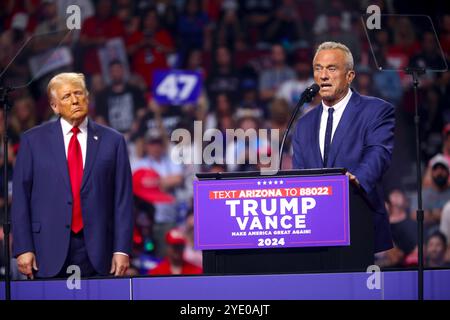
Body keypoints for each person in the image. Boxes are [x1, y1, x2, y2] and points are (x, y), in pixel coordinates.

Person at [11, 73, 133, 279]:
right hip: (46, 248)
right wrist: (23, 247)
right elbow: (21, 198)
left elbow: (123, 200)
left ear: (88, 97)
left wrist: (121, 249)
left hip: (99, 249)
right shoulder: (33, 141)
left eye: (79, 93)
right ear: (54, 106)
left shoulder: (113, 141)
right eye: (66, 96)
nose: (75, 100)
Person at [292, 41, 395, 253]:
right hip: (315, 232)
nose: (323, 75)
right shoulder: (303, 124)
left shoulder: (376, 111)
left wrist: (357, 177)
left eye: (331, 68)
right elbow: (299, 176)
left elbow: (379, 152)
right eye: (318, 68)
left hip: (358, 223)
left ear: (350, 76)